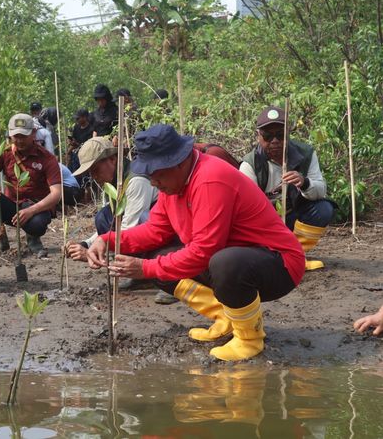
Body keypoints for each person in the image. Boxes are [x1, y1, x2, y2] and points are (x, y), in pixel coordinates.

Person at [87, 124, 305, 361]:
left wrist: (143, 270)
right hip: (236, 256)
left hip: (279, 263)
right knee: (154, 257)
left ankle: (250, 338)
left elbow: (204, 251)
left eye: (156, 173)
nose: (152, 182)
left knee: (222, 263)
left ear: (178, 163)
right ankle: (226, 318)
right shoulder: (173, 186)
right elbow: (154, 231)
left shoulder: (209, 179)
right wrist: (106, 240)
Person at [240, 106, 335, 270]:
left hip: (293, 217)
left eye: (280, 135)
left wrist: (304, 182)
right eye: (268, 136)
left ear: (288, 134)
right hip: (266, 224)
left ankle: (296, 255)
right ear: (259, 137)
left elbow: (321, 190)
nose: (275, 141)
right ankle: (274, 255)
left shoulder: (306, 154)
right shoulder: (249, 164)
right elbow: (246, 211)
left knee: (324, 209)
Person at [66, 138, 160, 294]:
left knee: (107, 219)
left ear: (113, 159)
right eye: (90, 172)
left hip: (164, 235)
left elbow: (129, 230)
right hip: (145, 233)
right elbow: (113, 223)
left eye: (95, 169)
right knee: (104, 216)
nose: (93, 176)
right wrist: (86, 244)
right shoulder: (115, 183)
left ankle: (156, 275)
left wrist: (95, 254)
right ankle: (143, 278)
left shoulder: (135, 181)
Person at [0, 113, 62, 258]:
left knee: (37, 224)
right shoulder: (4, 152)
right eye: (16, 136)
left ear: (33, 133)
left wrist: (32, 210)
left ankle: (33, 240)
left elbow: (56, 194)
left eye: (23, 136)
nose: (19, 141)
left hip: (35, 208)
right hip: (12, 206)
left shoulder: (47, 158)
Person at [67, 108, 95, 174]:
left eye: (78, 118)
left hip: (86, 157)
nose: (76, 120)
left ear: (84, 117)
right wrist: (71, 142)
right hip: (75, 155)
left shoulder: (91, 129)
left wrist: (77, 144)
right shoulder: (76, 127)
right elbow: (74, 138)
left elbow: (89, 145)